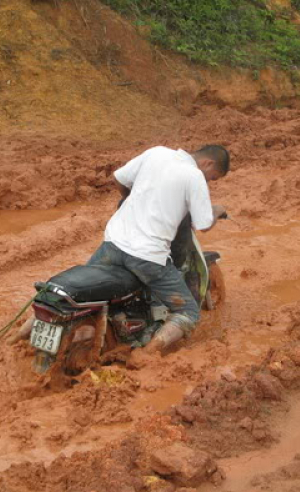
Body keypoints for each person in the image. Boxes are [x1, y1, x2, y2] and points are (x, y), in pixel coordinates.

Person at [87, 144, 229, 355]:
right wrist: (217, 211)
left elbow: (119, 178)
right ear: (208, 163)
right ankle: (146, 355)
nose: (209, 181)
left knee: (86, 292)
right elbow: (203, 224)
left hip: (112, 244)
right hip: (147, 256)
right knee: (189, 312)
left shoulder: (157, 152)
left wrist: (128, 198)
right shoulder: (194, 175)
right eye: (213, 177)